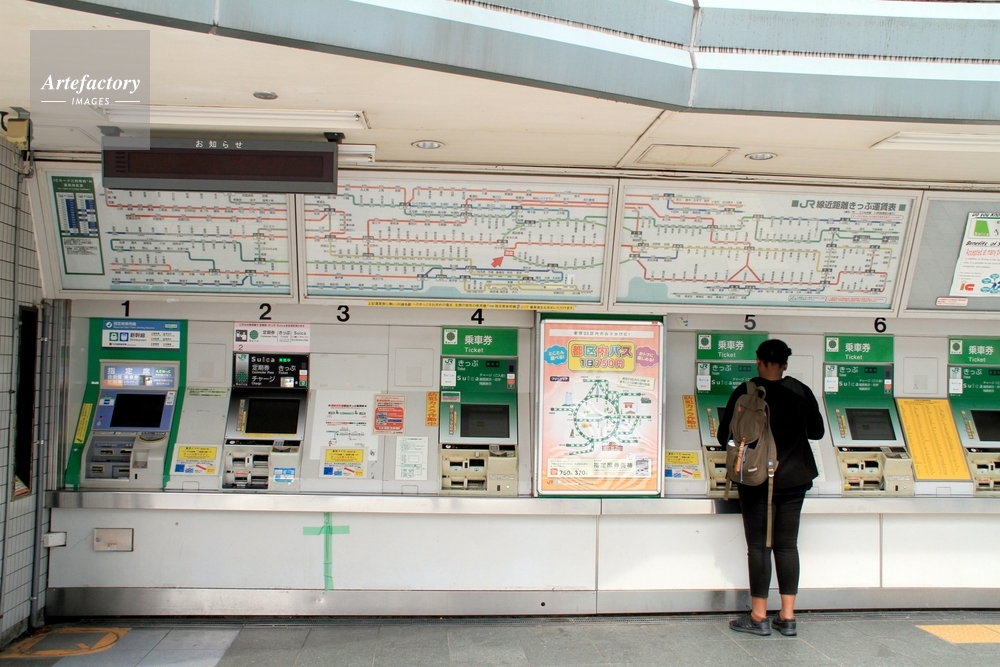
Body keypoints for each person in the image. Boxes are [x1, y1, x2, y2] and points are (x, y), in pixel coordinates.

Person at [716, 339, 824, 637]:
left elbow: (724, 435)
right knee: (787, 545)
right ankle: (787, 617)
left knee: (759, 547)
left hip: (756, 479)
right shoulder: (800, 390)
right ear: (785, 364)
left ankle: (759, 616)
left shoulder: (746, 391)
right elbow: (817, 432)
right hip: (795, 478)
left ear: (758, 361)